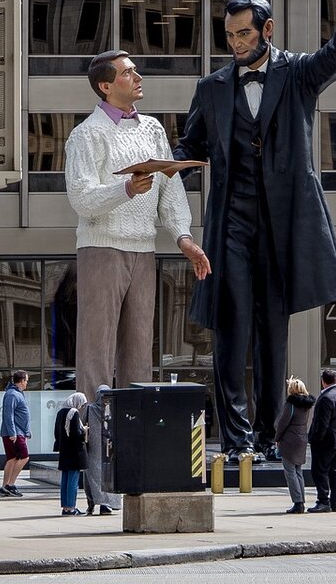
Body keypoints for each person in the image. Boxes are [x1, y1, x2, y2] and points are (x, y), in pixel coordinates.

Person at [173, 0, 336, 464]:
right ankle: (235, 437)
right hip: (231, 225)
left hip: (282, 226)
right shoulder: (213, 88)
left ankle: (266, 436)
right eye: (230, 37)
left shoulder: (299, 74)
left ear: (267, 29)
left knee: (272, 335)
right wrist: (157, 168)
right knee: (231, 325)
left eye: (245, 34)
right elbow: (189, 146)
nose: (237, 44)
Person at [65, 49, 210, 404]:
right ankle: (91, 432)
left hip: (144, 250)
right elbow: (82, 199)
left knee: (140, 348)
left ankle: (135, 430)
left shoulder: (153, 129)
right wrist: (126, 189)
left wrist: (183, 237)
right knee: (96, 348)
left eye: (135, 71)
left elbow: (170, 190)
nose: (138, 77)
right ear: (105, 85)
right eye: (128, 73)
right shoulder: (87, 135)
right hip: (102, 248)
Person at [307, 369, 336, 513]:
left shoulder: (326, 397)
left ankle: (323, 501)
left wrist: (314, 439)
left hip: (327, 439)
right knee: (335, 470)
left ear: (323, 381)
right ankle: (335, 502)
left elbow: (322, 424)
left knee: (319, 471)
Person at [274, 376, 316, 514]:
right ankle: (301, 500)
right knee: (298, 472)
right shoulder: (306, 405)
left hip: (290, 441)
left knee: (290, 472)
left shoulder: (290, 404)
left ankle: (297, 502)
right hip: (301, 439)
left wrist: (277, 438)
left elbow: (282, 423)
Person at [83, 384, 120, 516]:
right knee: (109, 476)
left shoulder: (90, 409)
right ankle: (108, 504)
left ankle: (92, 503)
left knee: (91, 478)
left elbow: (83, 425)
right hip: (109, 448)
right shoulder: (113, 410)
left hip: (93, 448)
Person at [54, 392, 89, 516]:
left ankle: (65, 507)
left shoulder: (60, 412)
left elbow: (56, 433)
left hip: (64, 451)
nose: (81, 407)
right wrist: (83, 431)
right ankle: (71, 507)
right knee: (73, 481)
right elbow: (75, 434)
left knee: (65, 480)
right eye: (82, 404)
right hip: (74, 452)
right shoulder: (73, 413)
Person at [0, 370, 31, 497]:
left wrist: (26, 431)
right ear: (21, 381)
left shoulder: (17, 393)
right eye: (26, 380)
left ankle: (4, 487)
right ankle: (10, 485)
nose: (27, 383)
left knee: (12, 459)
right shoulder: (12, 394)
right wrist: (13, 432)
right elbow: (8, 414)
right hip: (14, 433)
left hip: (19, 432)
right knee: (24, 457)